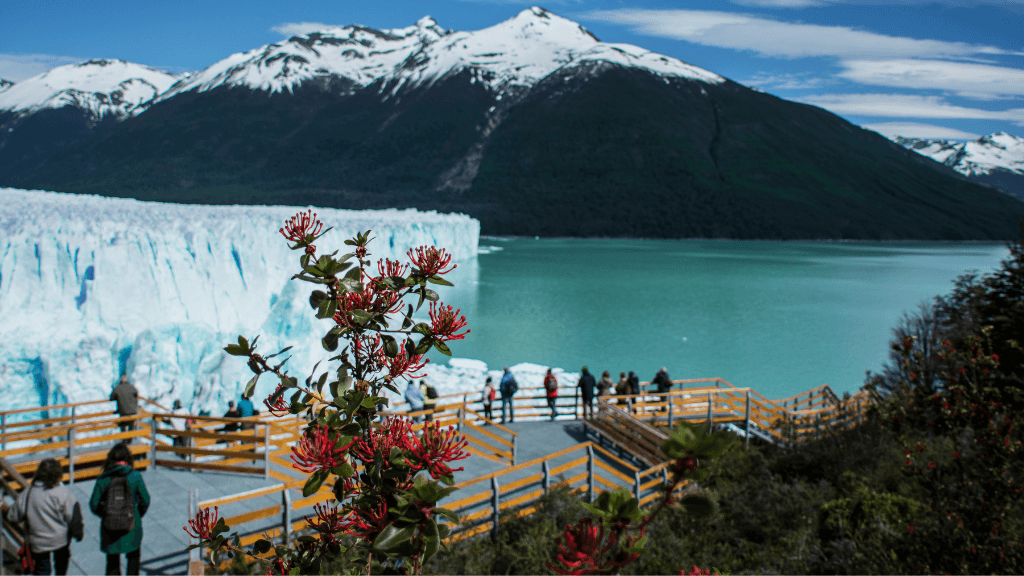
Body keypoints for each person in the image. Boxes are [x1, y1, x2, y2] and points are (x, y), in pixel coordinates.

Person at [2, 458, 83, 576]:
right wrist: (78, 532)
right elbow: (73, 515)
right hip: (60, 539)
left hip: (38, 542)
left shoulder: (28, 493)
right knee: (62, 561)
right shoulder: (63, 492)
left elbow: (13, 516)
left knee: (42, 569)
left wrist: (4, 507)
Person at [89, 444, 150, 576]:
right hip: (132, 526)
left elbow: (93, 505)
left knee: (112, 563)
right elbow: (146, 500)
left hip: (109, 528)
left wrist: (106, 514)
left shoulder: (103, 478)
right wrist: (136, 514)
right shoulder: (135, 476)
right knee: (133, 559)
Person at [110, 375, 139, 442]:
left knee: (123, 425)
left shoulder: (117, 388)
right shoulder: (132, 387)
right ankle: (130, 441)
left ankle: (124, 440)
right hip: (132, 411)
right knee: (131, 425)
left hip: (123, 411)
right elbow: (136, 393)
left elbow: (111, 398)